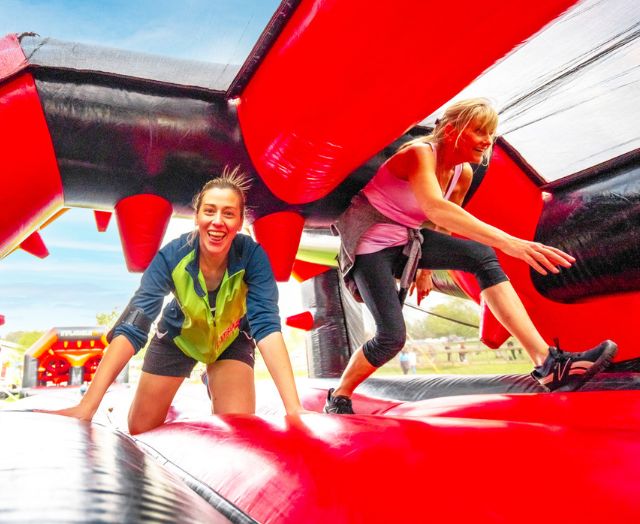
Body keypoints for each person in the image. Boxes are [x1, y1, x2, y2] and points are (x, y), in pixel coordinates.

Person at [325, 98, 617, 414]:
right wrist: (511, 243)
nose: (487, 140)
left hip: (408, 242)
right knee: (391, 338)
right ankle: (339, 395)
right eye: (479, 130)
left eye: (491, 133)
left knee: (481, 255)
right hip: (370, 247)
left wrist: (425, 268)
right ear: (452, 130)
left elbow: (440, 223)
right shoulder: (418, 154)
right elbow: (435, 207)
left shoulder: (462, 173)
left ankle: (547, 364)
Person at [52, 166, 305, 433]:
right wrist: (87, 406)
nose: (218, 221)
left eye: (228, 213)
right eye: (209, 211)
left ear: (240, 223)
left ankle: (213, 376)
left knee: (238, 429)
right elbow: (134, 323)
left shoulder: (253, 257)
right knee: (139, 426)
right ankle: (196, 377)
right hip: (178, 339)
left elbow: (266, 325)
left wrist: (294, 409)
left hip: (230, 340)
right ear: (197, 217)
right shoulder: (172, 256)